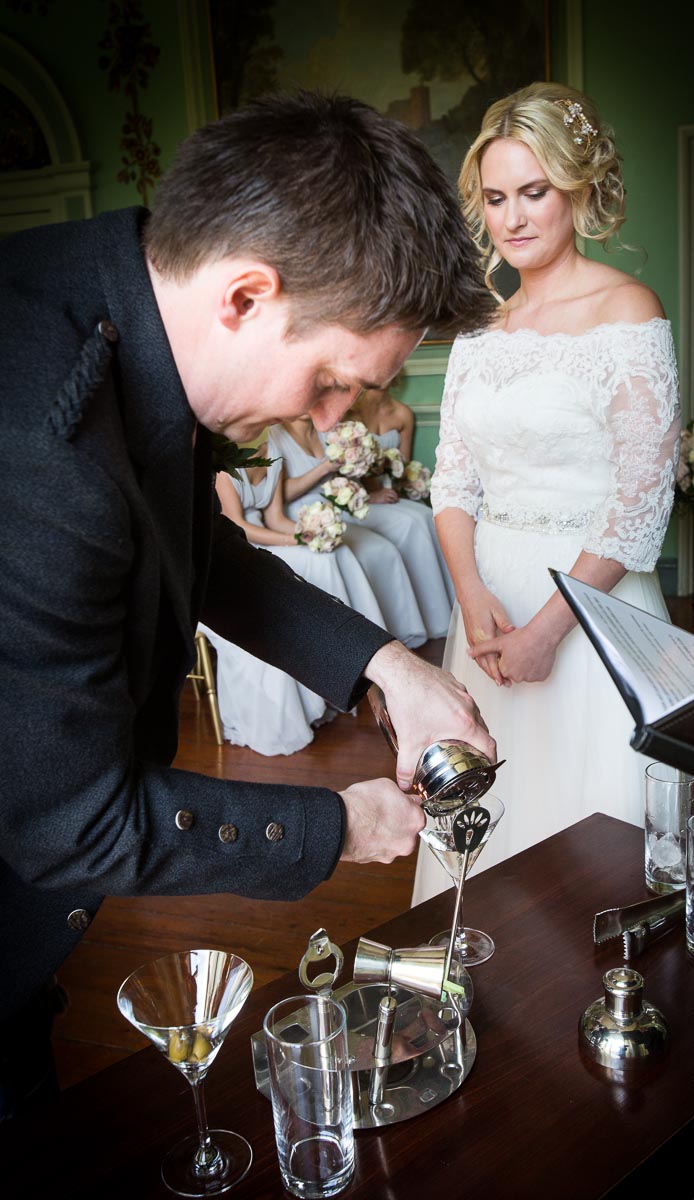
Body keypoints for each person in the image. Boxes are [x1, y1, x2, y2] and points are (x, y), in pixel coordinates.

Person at [0, 90, 497, 1116]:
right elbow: (69, 826)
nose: (325, 418)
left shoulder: (134, 302)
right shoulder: (44, 448)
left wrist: (389, 667)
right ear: (245, 296)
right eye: (328, 382)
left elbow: (202, 556)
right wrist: (338, 823)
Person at [413, 81, 681, 904]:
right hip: (489, 611)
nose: (514, 218)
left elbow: (640, 500)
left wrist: (548, 630)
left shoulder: (626, 308)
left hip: (591, 607)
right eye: (496, 198)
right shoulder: (478, 328)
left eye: (534, 192)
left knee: (593, 837)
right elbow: (451, 482)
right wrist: (471, 596)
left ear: (576, 188)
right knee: (491, 825)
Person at [200, 452, 387, 755]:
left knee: (325, 556)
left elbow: (276, 518)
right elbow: (235, 526)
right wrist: (295, 541)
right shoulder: (224, 462)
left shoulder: (274, 456)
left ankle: (346, 664)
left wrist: (312, 533)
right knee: (305, 567)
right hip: (238, 548)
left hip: (266, 538)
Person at [272, 411, 455, 641]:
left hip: (341, 502)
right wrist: (325, 468)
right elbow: (279, 495)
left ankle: (412, 628)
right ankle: (372, 638)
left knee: (386, 549)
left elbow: (348, 475)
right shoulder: (274, 438)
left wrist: (363, 489)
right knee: (379, 547)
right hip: (304, 512)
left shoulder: (326, 429)